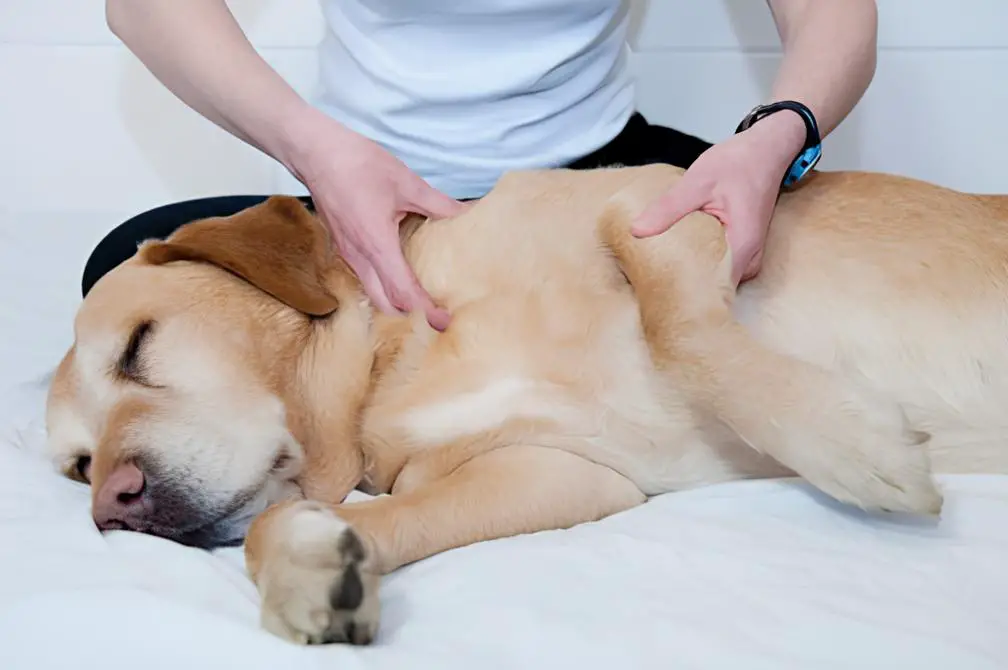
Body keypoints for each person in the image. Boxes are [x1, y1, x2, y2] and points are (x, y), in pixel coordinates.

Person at [86, 0, 879, 331]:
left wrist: (778, 134)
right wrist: (313, 147)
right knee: (128, 279)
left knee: (832, 271)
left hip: (593, 188)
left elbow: (831, 10)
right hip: (361, 200)